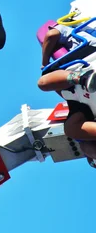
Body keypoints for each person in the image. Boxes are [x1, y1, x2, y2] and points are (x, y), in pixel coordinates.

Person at [37, 22, 96, 159]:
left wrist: (45, 63)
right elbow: (51, 34)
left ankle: (82, 77)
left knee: (43, 82)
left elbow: (51, 35)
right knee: (73, 131)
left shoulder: (81, 32)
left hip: (85, 62)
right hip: (82, 83)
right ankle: (82, 78)